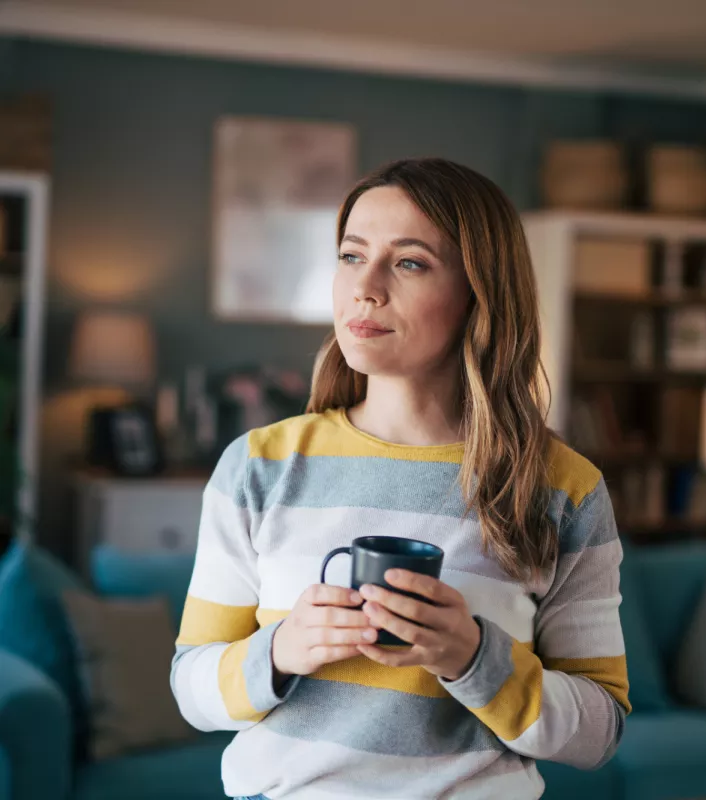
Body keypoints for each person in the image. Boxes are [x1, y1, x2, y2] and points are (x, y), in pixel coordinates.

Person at [170, 158, 630, 800]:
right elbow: (192, 688)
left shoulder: (562, 488)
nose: (366, 287)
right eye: (351, 255)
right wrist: (278, 651)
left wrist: (473, 658)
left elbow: (599, 731)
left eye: (409, 262)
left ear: (480, 293)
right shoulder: (258, 466)